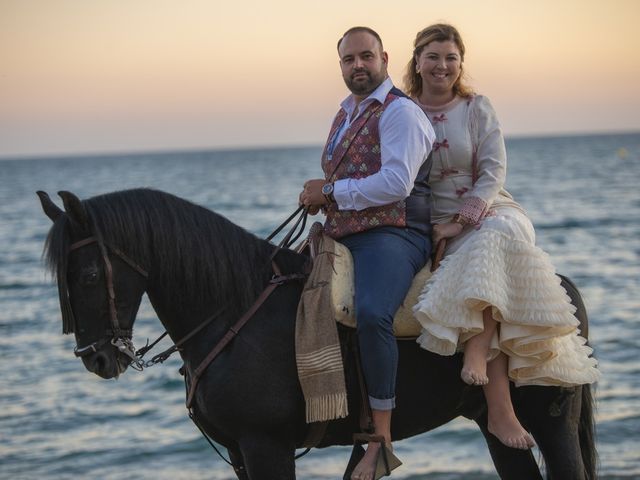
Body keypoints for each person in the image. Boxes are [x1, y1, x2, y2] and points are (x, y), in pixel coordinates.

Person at [406, 23, 600, 450]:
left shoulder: (476, 107)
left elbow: (494, 170)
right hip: (433, 219)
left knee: (496, 236)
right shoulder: (403, 111)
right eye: (433, 56)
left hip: (490, 208)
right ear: (417, 60)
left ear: (460, 63)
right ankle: (497, 409)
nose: (442, 65)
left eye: (451, 58)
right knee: (482, 252)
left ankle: (487, 374)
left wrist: (463, 220)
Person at [299, 26, 435, 480]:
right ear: (340, 65)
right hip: (346, 230)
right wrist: (321, 196)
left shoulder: (402, 113)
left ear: (384, 58)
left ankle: (381, 440)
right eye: (348, 59)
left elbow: (396, 183)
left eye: (366, 57)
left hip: (393, 233)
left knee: (374, 312)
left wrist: (331, 190)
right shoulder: (344, 113)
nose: (357, 65)